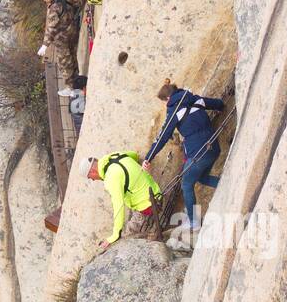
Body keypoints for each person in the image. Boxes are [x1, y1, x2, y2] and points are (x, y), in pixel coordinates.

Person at [144, 80, 225, 231]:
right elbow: (218, 103)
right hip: (214, 146)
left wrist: (148, 158)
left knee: (186, 183)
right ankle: (225, 184)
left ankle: (193, 222)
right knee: (201, 177)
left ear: (167, 99)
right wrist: (220, 106)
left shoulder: (174, 112)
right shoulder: (194, 99)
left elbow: (162, 138)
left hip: (198, 152)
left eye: (163, 102)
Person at [88, 151, 161, 251]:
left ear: (92, 171)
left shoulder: (111, 177)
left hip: (148, 206)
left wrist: (114, 236)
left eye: (90, 177)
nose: (92, 180)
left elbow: (118, 206)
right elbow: (134, 155)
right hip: (157, 193)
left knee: (125, 241)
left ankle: (153, 236)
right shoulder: (115, 155)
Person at [37, 0, 79, 95]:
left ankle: (71, 88)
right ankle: (77, 82)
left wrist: (45, 45)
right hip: (72, 33)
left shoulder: (54, 9)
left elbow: (52, 28)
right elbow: (79, 1)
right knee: (73, 58)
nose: (44, 0)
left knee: (65, 63)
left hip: (61, 40)